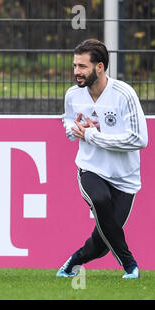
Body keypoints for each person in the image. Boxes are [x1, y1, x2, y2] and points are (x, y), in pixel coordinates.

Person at [59, 39, 148, 279]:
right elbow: (68, 122)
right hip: (91, 169)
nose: (76, 72)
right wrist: (75, 129)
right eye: (75, 65)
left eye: (82, 66)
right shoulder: (73, 94)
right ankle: (130, 265)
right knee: (99, 199)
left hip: (125, 178)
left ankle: (73, 261)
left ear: (99, 67)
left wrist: (94, 136)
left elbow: (140, 139)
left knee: (102, 242)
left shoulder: (124, 94)